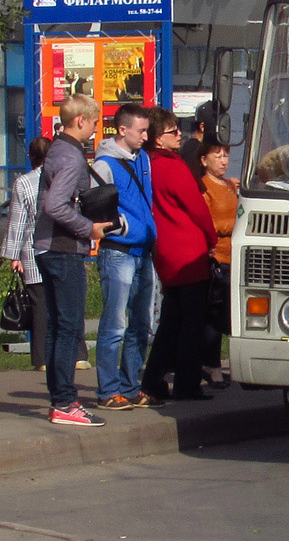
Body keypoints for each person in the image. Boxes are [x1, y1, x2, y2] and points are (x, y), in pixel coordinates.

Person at [34, 94, 111, 427]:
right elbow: (55, 205)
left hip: (48, 247)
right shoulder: (71, 156)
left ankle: (59, 400)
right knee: (69, 328)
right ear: (81, 120)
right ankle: (65, 402)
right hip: (64, 247)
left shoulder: (57, 149)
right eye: (95, 123)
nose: (96, 130)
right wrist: (89, 228)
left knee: (56, 328)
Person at [140, 107, 218, 401]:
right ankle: (186, 383)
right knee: (191, 323)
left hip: (165, 252)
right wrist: (211, 237)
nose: (179, 135)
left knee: (171, 320)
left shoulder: (147, 164)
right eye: (173, 131)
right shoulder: (172, 166)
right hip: (188, 252)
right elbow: (197, 207)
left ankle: (153, 378)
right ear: (159, 139)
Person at [91, 104, 163, 410]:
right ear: (122, 130)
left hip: (143, 251)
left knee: (142, 323)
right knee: (115, 323)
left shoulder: (143, 158)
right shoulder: (105, 164)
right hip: (118, 252)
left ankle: (130, 385)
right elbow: (94, 206)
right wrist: (120, 225)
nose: (146, 136)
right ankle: (108, 390)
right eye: (141, 130)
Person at [2, 137, 90, 372]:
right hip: (66, 244)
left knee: (41, 304)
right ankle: (79, 354)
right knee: (71, 303)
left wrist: (13, 255)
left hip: (33, 248)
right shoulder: (64, 174)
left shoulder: (24, 182)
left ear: (31, 156)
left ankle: (42, 358)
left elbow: (17, 222)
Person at [199, 136, 238, 389]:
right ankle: (210, 365)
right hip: (216, 258)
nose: (223, 161)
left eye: (225, 155)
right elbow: (206, 223)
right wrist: (234, 226)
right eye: (217, 156)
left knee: (228, 315)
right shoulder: (204, 187)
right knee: (214, 315)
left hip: (234, 258)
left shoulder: (228, 185)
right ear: (204, 160)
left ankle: (222, 362)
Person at [179, 100, 215, 173]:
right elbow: (197, 178)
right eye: (215, 126)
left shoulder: (200, 146)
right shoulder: (192, 149)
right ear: (202, 127)